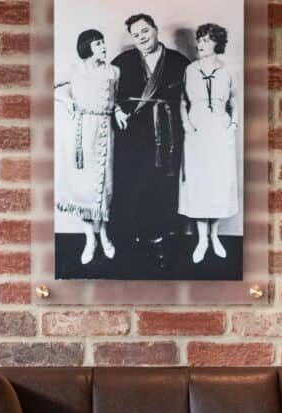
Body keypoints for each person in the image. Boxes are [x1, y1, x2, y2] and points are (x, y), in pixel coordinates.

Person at [110, 13, 190, 267]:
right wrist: (116, 110)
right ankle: (134, 241)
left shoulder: (178, 62)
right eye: (136, 35)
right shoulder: (123, 62)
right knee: (133, 184)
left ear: (155, 30)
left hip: (166, 135)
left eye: (145, 31)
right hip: (133, 136)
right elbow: (105, 90)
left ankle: (160, 240)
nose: (142, 38)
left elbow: (190, 98)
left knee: (162, 185)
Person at [54, 29, 119, 265]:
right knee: (82, 187)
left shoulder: (114, 71)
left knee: (102, 187)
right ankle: (89, 239)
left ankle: (104, 235)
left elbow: (116, 100)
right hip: (81, 134)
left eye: (103, 42)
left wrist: (118, 111)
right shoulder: (74, 70)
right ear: (87, 46)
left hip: (104, 130)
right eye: (98, 43)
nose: (103, 47)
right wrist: (66, 99)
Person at [178, 23, 239, 264]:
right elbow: (183, 101)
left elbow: (234, 100)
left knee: (219, 183)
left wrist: (233, 125)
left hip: (220, 131)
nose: (200, 44)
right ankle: (201, 239)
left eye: (205, 40)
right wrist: (186, 125)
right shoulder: (190, 70)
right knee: (198, 182)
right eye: (199, 40)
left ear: (217, 43)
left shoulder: (227, 71)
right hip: (196, 131)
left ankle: (215, 236)